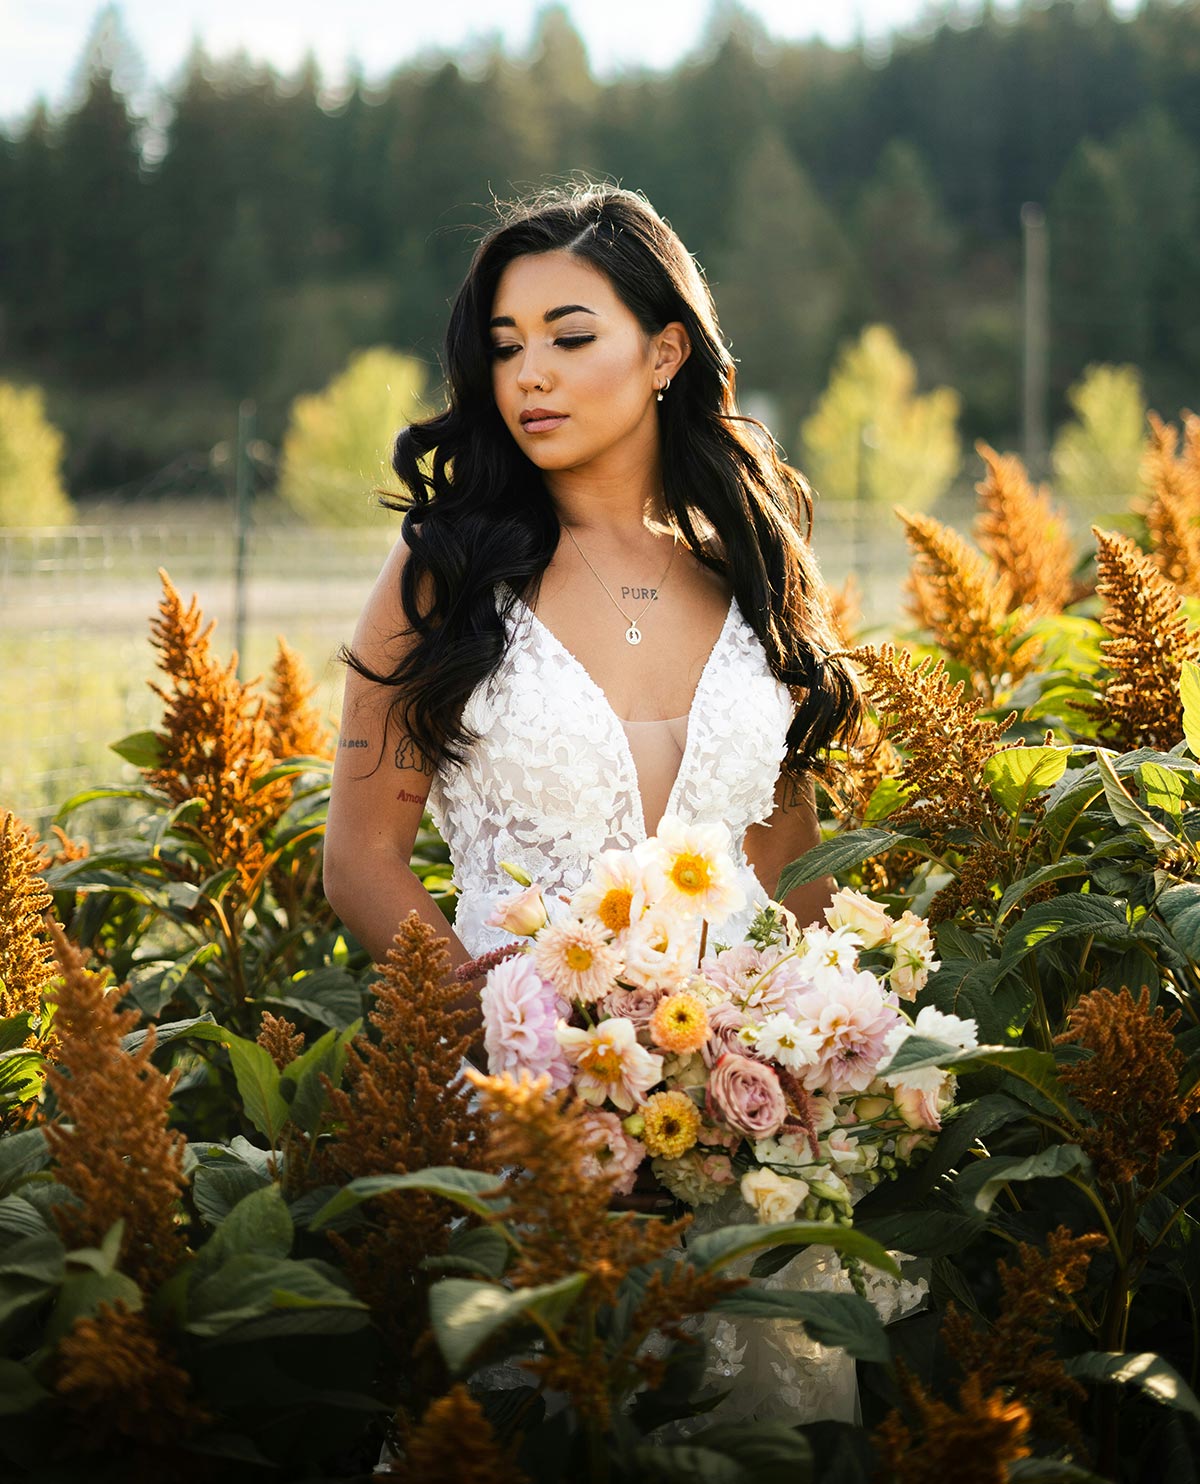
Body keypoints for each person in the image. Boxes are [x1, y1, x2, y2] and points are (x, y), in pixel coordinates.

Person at [322, 182, 867, 1426]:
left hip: (746, 1138)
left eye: (572, 337)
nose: (532, 375)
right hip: (524, 1136)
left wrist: (792, 1064)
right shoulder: (441, 576)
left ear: (667, 350)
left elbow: (793, 865)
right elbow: (360, 862)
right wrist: (538, 1067)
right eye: (507, 347)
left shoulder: (755, 573)